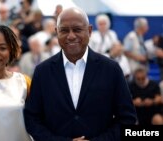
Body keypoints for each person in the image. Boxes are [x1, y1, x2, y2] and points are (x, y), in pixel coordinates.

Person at [24, 7, 137, 141]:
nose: (71, 36)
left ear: (89, 31)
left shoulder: (111, 69)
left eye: (77, 29)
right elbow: (32, 119)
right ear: (56, 32)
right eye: (64, 30)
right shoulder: (42, 72)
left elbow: (127, 118)